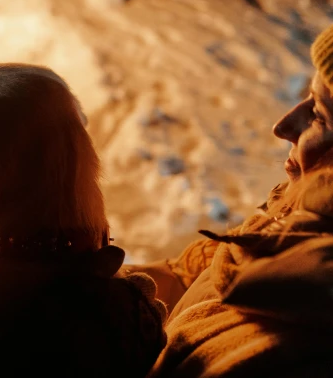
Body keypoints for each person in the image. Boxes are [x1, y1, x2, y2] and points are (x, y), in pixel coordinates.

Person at [129, 24, 333, 377]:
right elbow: (189, 274)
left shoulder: (300, 354)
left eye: (319, 115)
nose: (282, 126)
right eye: (307, 96)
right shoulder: (294, 224)